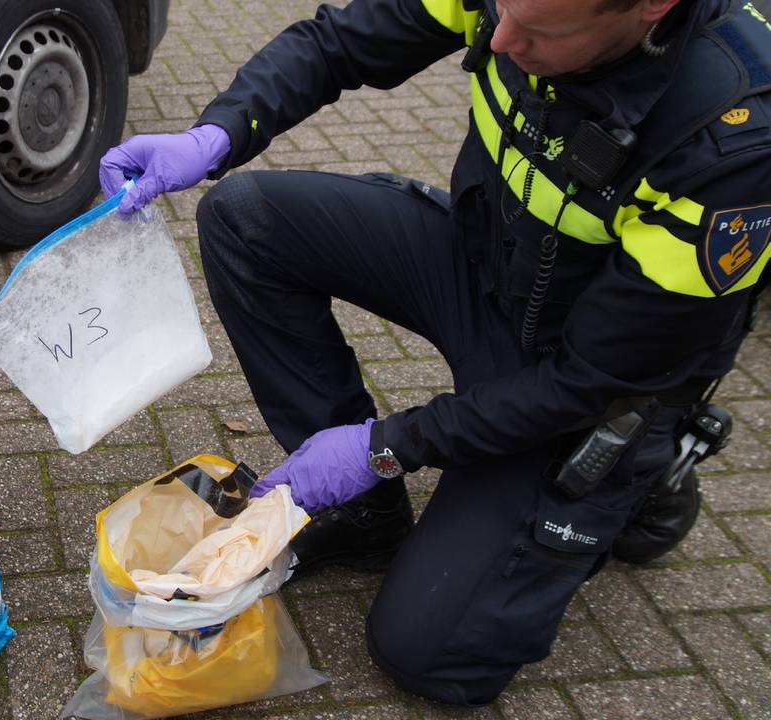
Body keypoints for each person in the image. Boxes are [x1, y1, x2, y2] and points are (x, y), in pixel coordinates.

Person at [98, 0, 771, 706]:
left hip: (582, 376)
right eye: (500, 12)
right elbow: (335, 45)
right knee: (245, 222)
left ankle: (651, 480)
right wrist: (218, 130)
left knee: (429, 654)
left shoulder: (731, 146)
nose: (502, 39)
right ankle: (366, 518)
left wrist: (384, 445)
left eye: (539, 33)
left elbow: (590, 381)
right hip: (483, 265)